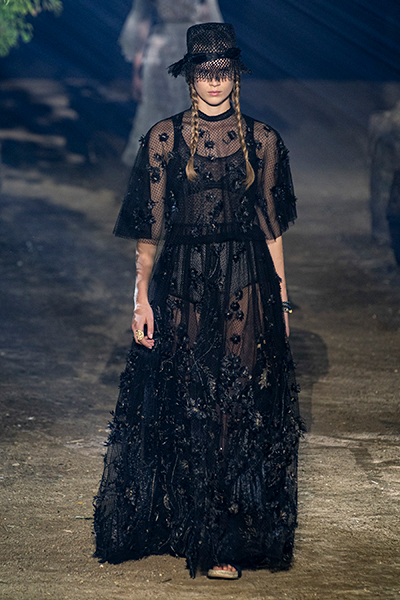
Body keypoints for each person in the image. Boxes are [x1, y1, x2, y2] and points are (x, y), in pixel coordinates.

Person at [93, 22, 303, 580]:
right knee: (190, 397)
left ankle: (221, 538)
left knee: (236, 401)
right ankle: (193, 522)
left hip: (245, 281)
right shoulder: (164, 139)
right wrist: (139, 299)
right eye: (204, 72)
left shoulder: (263, 141)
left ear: (235, 75)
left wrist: (282, 301)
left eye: (222, 71)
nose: (213, 82)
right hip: (183, 282)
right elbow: (149, 231)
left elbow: (272, 229)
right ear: (189, 76)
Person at [119, 0, 223, 166]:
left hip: (192, 49)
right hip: (162, 55)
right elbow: (141, 19)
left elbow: (209, 18)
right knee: (158, 109)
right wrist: (137, 71)